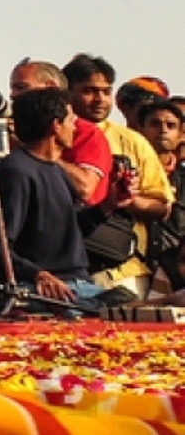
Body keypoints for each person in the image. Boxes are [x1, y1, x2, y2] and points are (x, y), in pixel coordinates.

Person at [63, 54, 172, 299]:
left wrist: (122, 199)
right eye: (89, 91)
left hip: (122, 272)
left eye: (106, 91)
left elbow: (162, 207)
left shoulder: (132, 141)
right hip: (59, 272)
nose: (100, 99)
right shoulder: (49, 139)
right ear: (67, 93)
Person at [0, 89, 104, 310]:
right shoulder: (17, 172)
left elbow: (70, 231)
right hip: (46, 290)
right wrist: (38, 275)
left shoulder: (56, 169)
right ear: (55, 126)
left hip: (80, 285)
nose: (75, 128)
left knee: (130, 306)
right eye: (71, 121)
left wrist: (109, 205)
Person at [14, 59, 111, 206]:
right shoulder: (15, 131)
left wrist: (38, 153)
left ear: (50, 87)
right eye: (13, 88)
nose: (13, 95)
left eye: (21, 87)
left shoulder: (86, 132)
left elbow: (85, 189)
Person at [130, 98, 185, 291]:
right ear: (140, 130)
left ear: (181, 135)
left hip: (175, 275)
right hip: (134, 270)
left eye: (171, 125)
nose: (163, 130)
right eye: (155, 124)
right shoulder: (128, 175)